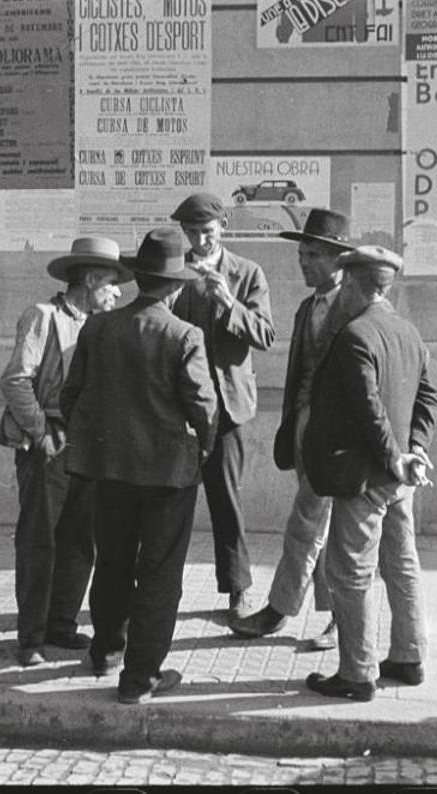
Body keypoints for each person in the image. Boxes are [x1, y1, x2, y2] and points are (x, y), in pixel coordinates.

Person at [60, 227, 218, 705]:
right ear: (176, 285)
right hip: (168, 474)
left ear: (138, 278)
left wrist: (96, 443)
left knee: (111, 562)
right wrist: (203, 451)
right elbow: (204, 408)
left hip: (108, 469)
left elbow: (71, 396)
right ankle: (141, 675)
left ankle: (106, 649)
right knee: (159, 573)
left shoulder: (98, 326)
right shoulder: (184, 334)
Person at [302, 245, 437, 702]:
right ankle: (408, 655)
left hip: (367, 477)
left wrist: (393, 457)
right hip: (399, 478)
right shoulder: (408, 331)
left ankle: (357, 673)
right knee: (402, 565)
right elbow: (427, 399)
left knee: (350, 572)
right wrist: (414, 451)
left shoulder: (356, 335)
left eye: (345, 285)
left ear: (358, 285)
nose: (339, 294)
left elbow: (369, 410)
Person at [0, 237, 134, 667]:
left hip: (86, 445)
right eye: (111, 284)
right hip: (47, 444)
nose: (117, 293)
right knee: (40, 542)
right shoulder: (43, 316)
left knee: (79, 540)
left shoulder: (101, 323)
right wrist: (41, 433)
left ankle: (62, 623)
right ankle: (31, 639)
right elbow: (16, 380)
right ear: (89, 279)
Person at [229, 210, 354, 649]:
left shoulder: (354, 306)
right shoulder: (307, 308)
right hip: (305, 429)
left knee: (315, 524)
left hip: (337, 438)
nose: (303, 262)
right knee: (320, 525)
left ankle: (283, 610)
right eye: (301, 253)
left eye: (313, 254)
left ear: (339, 258)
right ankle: (336, 618)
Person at [169, 192, 276, 621]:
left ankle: (238, 590)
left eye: (207, 232)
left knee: (226, 502)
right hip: (179, 405)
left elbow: (266, 335)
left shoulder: (247, 273)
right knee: (169, 502)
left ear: (224, 227)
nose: (199, 241)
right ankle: (162, 591)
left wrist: (229, 302)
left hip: (229, 409)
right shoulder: (174, 270)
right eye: (192, 233)